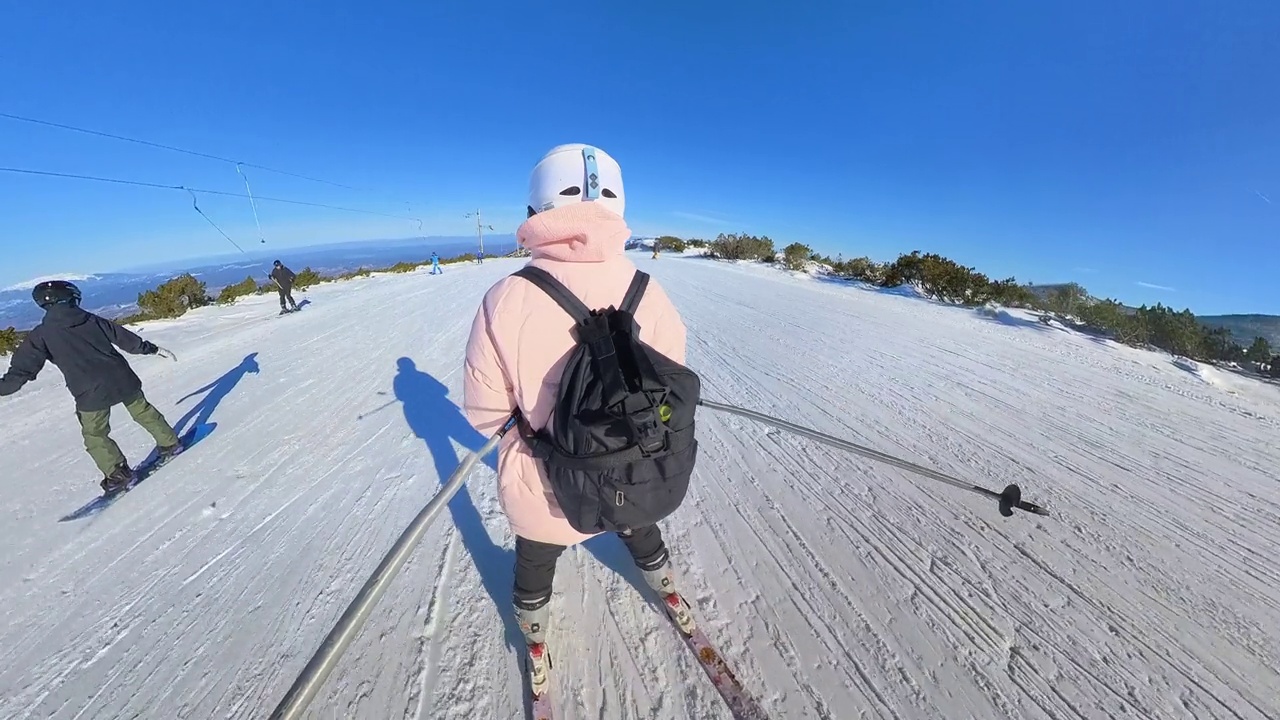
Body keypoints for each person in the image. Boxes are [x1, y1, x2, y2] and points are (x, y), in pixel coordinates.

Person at [462, 144, 691, 689]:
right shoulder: (648, 289)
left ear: (535, 212)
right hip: (634, 473)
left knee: (536, 553)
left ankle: (536, 637)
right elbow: (670, 386)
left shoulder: (505, 296)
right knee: (635, 520)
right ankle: (666, 586)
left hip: (547, 483)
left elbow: (484, 415)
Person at [0, 280, 183, 493]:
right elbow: (125, 339)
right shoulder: (92, 319)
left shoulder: (40, 335)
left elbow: (22, 370)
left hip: (89, 391)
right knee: (143, 411)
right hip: (122, 379)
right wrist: (150, 349)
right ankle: (170, 443)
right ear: (71, 298)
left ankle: (118, 474)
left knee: (95, 433)